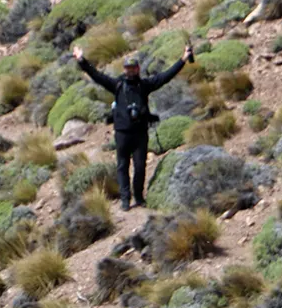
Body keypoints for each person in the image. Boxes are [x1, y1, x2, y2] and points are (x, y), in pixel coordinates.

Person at [72, 39, 192, 210]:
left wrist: (183, 59)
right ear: (124, 70)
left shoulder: (144, 85)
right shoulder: (117, 85)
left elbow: (165, 76)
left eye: (133, 68)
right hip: (122, 133)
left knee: (140, 166)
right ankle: (125, 199)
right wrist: (82, 61)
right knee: (122, 166)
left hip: (140, 133)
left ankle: (139, 197)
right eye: (127, 68)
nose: (130, 71)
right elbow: (97, 76)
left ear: (138, 69)